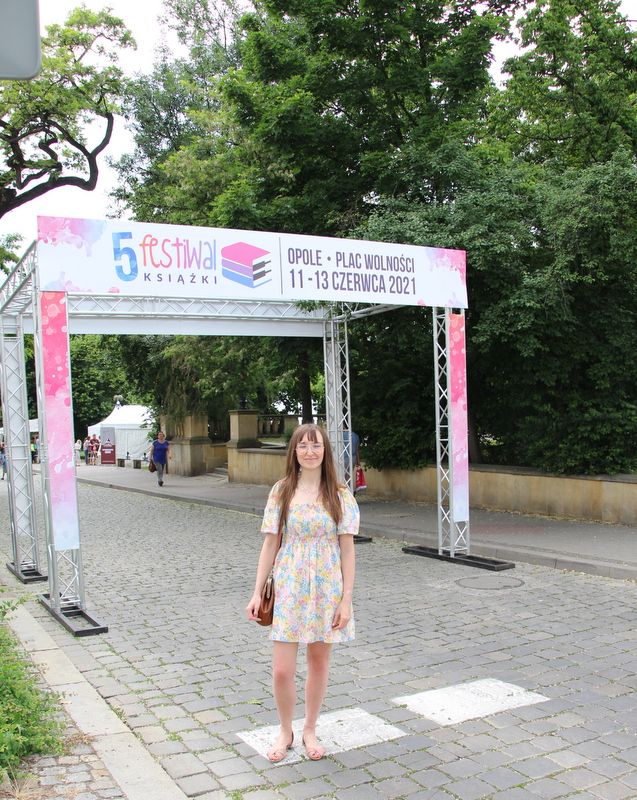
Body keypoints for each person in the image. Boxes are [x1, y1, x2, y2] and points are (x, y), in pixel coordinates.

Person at [246, 423, 358, 763]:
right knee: (282, 670)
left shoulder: (340, 494)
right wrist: (256, 592)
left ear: (325, 451)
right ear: (294, 452)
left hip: (327, 587)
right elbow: (270, 543)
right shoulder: (281, 491)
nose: (310, 452)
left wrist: (346, 599)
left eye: (316, 445)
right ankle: (285, 730)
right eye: (303, 446)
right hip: (289, 586)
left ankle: (309, 728)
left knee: (318, 662)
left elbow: (348, 550)